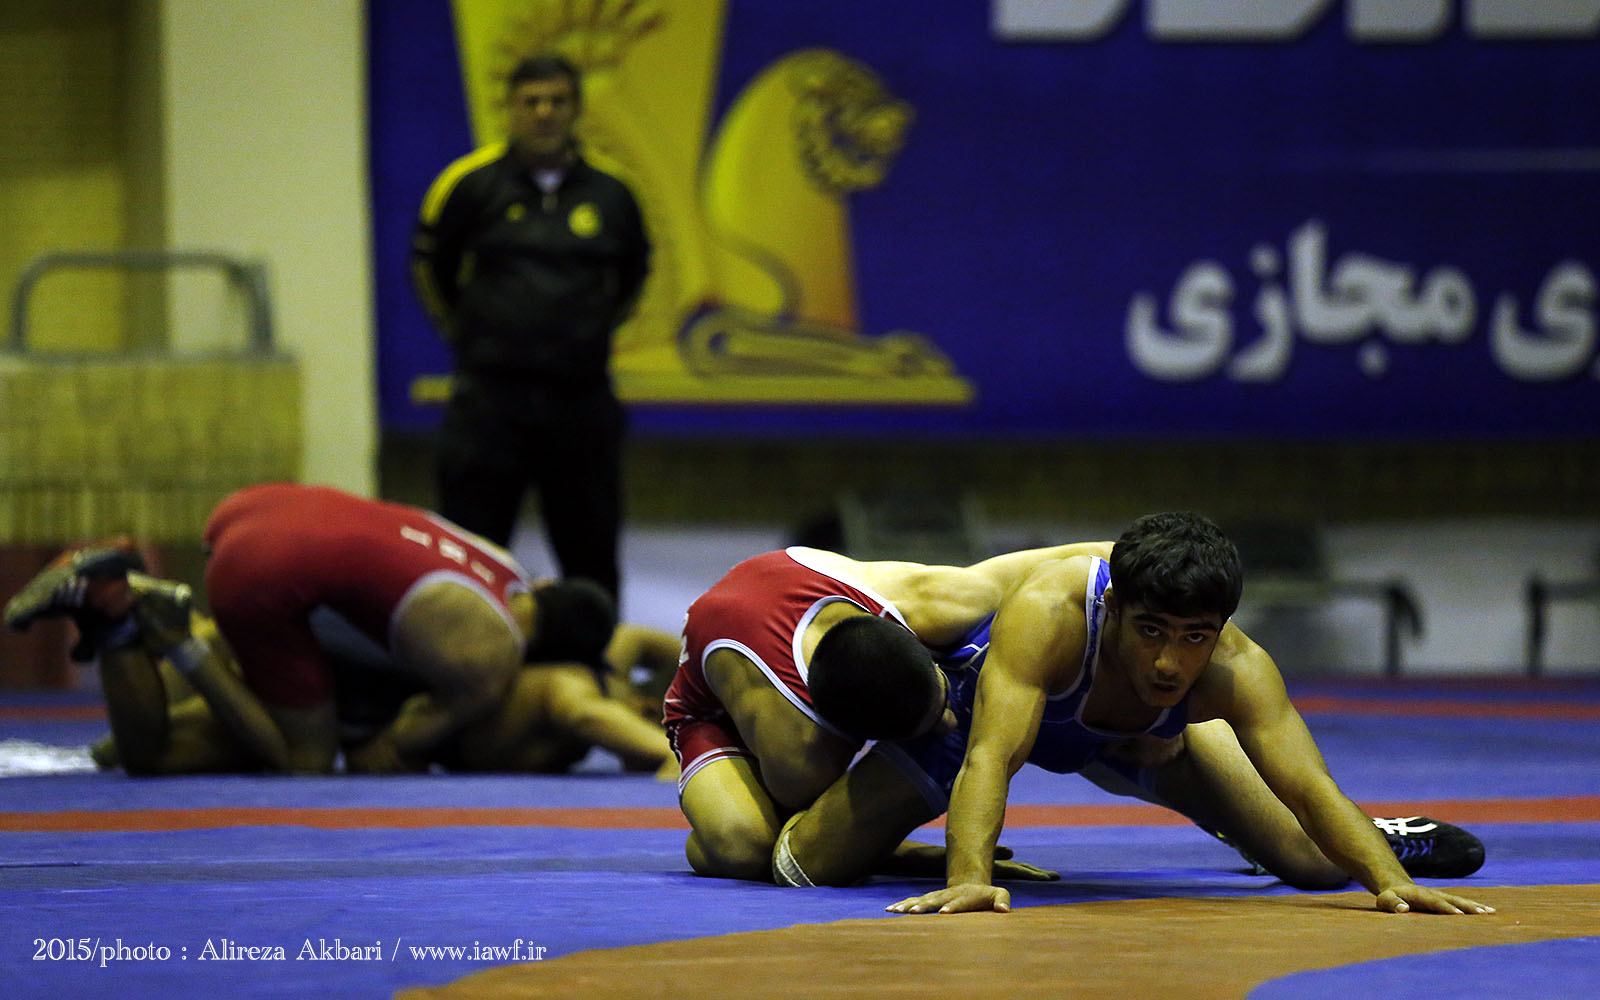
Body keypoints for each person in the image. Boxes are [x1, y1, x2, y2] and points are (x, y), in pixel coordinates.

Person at [763, 513, 1490, 916]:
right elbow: (992, 757)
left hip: (1132, 741)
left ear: (1220, 629)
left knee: (1315, 864)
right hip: (972, 718)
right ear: (1112, 609)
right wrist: (969, 878)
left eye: (1194, 638)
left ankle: (1384, 839)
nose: (1169, 662)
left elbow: (1308, 784)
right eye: (1150, 632)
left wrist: (1388, 883)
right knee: (805, 867)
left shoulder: (1236, 666)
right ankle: (912, 848)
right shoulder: (1050, 613)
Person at [3, 484, 669, 776]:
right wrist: (682, 754)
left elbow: (649, 641)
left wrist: (686, 676)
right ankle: (171, 636)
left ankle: (122, 615)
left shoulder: (506, 567)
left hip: (269, 511)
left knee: (136, 753)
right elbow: (399, 742)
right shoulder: (507, 666)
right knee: (306, 763)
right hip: (276, 582)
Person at [664, 541, 1115, 881]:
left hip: (785, 586)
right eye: (930, 726)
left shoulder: (938, 601)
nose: (951, 720)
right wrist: (889, 849)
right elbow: (806, 833)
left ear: (922, 648)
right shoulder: (803, 756)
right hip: (711, 708)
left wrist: (1147, 559)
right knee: (746, 848)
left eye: (941, 700)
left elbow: (1084, 558)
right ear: (854, 739)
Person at [411, 52, 651, 604]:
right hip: (490, 403)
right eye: (532, 101)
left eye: (557, 101)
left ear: (577, 109)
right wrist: (474, 336)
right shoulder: (468, 185)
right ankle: (468, 652)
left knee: (591, 554)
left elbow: (634, 278)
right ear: (510, 108)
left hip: (580, 402)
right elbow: (430, 272)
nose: (544, 113)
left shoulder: (614, 193)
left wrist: (583, 335)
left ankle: (595, 653)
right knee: (468, 555)